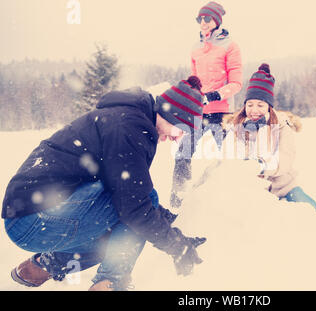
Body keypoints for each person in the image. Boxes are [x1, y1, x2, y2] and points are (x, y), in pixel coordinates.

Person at [2, 76, 207, 291]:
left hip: (26, 219)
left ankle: (39, 268)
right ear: (172, 116)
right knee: (133, 215)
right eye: (182, 130)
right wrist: (176, 246)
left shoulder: (128, 119)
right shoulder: (131, 128)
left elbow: (129, 190)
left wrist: (172, 231)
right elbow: (135, 205)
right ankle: (110, 283)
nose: (178, 138)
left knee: (116, 237)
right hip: (35, 219)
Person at [170, 1, 243, 208]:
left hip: (222, 114)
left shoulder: (230, 45)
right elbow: (194, 81)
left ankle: (229, 202)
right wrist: (189, 96)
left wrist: (215, 95)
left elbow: (236, 83)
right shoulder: (195, 48)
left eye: (207, 18)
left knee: (227, 158)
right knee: (182, 153)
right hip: (199, 112)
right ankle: (178, 201)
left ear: (217, 21)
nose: (203, 22)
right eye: (199, 19)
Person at [222, 64, 316, 213]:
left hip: (283, 187)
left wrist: (263, 166)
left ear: (269, 107)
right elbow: (229, 157)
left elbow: (285, 160)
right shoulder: (237, 128)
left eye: (260, 105)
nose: (254, 110)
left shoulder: (282, 127)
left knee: (310, 209)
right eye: (250, 105)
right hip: (251, 189)